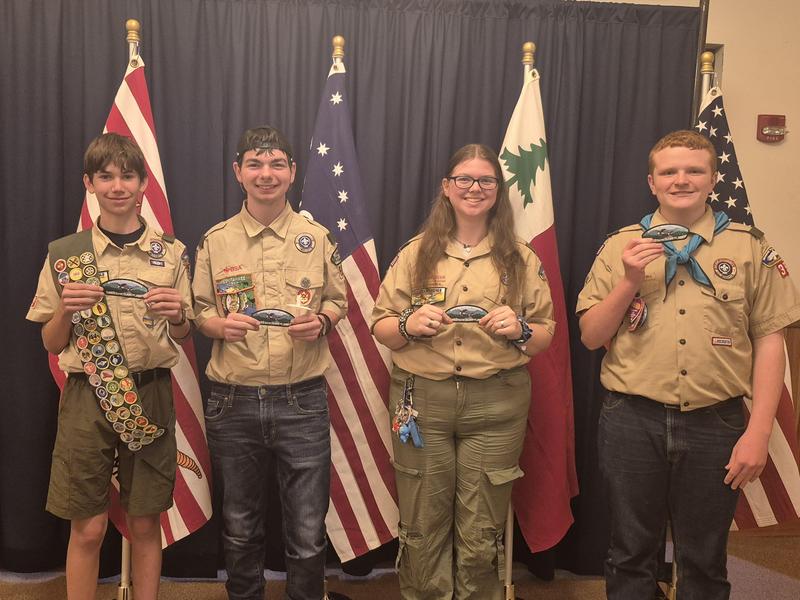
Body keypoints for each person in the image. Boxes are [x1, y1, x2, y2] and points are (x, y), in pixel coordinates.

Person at [577, 129, 800, 599]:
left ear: (714, 179)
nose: (681, 180)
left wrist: (759, 432)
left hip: (715, 421)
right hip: (631, 419)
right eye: (669, 171)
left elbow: (770, 340)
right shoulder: (621, 246)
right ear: (652, 182)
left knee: (704, 558)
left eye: (694, 170)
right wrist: (629, 280)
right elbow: (592, 336)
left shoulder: (749, 247)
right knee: (629, 554)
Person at [371, 143, 555, 599]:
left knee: (481, 530)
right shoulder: (415, 254)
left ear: (498, 189)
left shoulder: (521, 257)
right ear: (446, 187)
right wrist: (408, 324)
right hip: (423, 402)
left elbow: (545, 335)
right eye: (464, 179)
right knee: (422, 523)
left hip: (496, 404)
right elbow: (380, 326)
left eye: (486, 180)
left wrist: (521, 328)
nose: (475, 188)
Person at [26, 132, 193, 600]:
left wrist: (178, 316)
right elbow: (50, 341)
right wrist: (65, 310)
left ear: (143, 184)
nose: (117, 186)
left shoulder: (171, 252)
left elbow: (184, 334)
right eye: (106, 176)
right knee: (88, 527)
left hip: (151, 391)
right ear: (89, 183)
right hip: (88, 394)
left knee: (145, 522)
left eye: (127, 176)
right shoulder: (66, 254)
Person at [192, 126, 347, 600]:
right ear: (237, 172)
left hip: (301, 400)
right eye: (255, 164)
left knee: (307, 531)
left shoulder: (315, 237)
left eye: (277, 164)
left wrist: (322, 320)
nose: (266, 174)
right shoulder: (216, 241)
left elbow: (338, 300)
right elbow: (199, 310)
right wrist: (218, 326)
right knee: (240, 526)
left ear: (292, 172)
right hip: (233, 400)